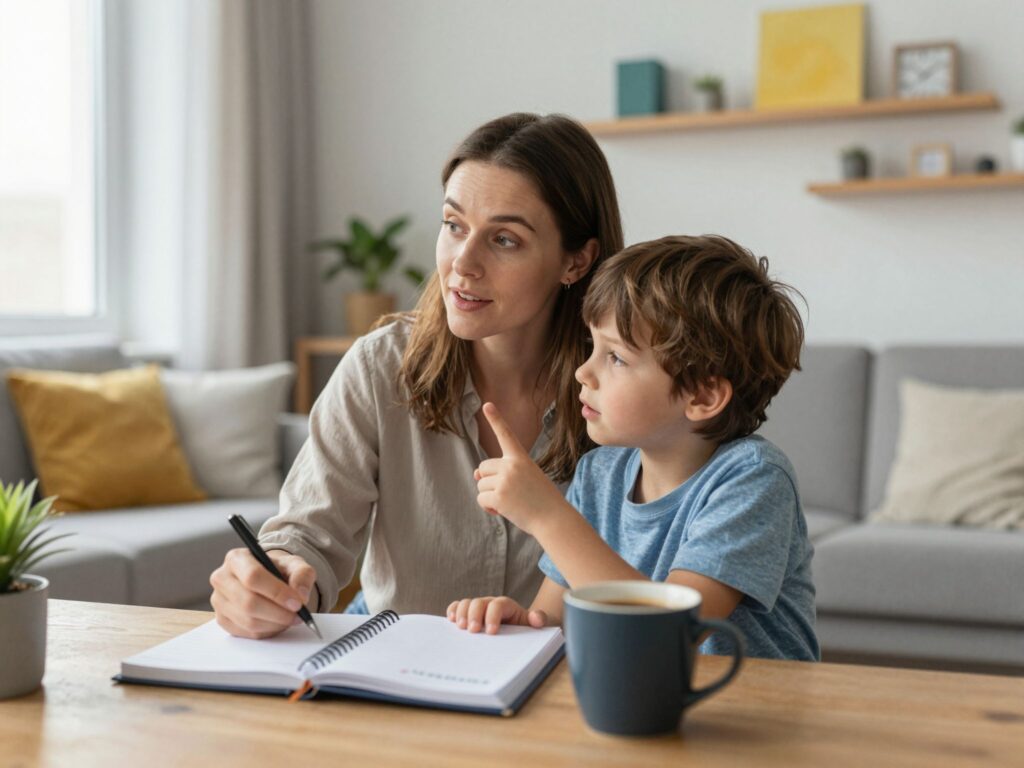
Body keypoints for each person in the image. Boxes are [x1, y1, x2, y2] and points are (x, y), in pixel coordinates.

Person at [209, 113, 624, 639]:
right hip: (392, 670)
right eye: (454, 226)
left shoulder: (626, 389)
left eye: (505, 240)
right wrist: (273, 579)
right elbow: (307, 534)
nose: (462, 264)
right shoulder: (380, 366)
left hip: (560, 685)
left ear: (577, 261)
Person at [448, 235, 820, 661]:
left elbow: (671, 636)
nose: (583, 372)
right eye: (593, 348)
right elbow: (556, 622)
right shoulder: (599, 472)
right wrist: (521, 625)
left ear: (702, 397)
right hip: (643, 706)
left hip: (759, 715)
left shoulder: (753, 478)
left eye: (617, 358)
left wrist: (546, 516)